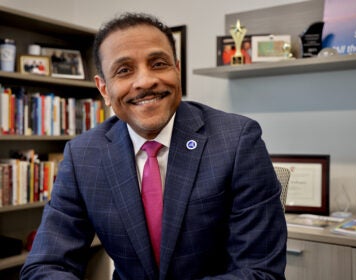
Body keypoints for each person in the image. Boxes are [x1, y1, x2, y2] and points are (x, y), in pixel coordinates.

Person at [20, 12, 287, 280]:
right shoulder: (83, 155)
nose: (146, 81)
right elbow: (44, 266)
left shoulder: (237, 140)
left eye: (158, 64)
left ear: (177, 70)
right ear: (104, 89)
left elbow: (261, 272)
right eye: (124, 70)